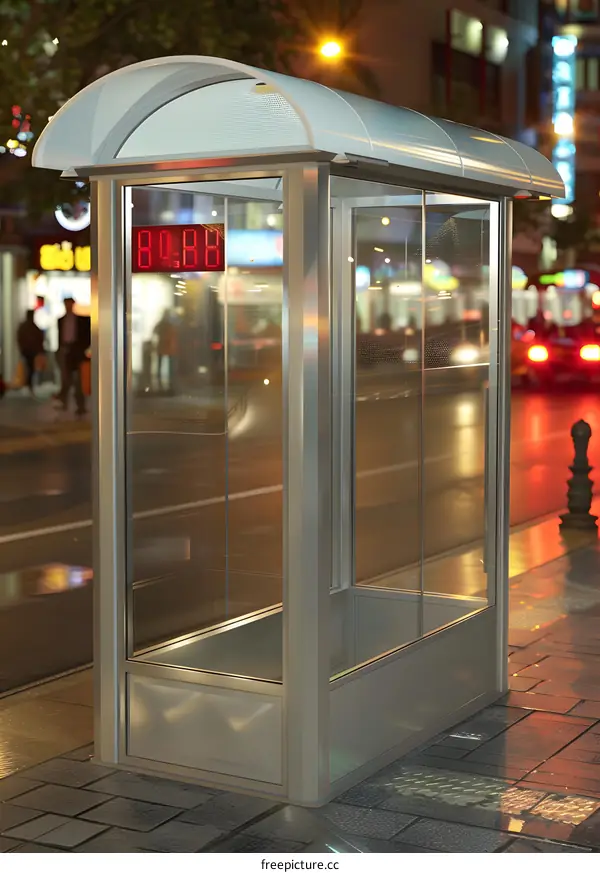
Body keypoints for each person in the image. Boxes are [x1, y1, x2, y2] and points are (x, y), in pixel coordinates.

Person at [56, 297, 91, 415]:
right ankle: (64, 401)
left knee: (78, 380)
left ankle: (80, 405)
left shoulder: (81, 321)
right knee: (66, 378)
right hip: (65, 350)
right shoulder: (61, 320)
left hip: (77, 352)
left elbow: (87, 336)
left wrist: (82, 348)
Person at [16, 310, 45, 395]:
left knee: (29, 367)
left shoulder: (26, 327)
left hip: (28, 351)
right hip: (30, 351)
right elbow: (40, 338)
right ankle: (28, 384)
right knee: (30, 368)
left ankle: (28, 384)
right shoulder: (32, 327)